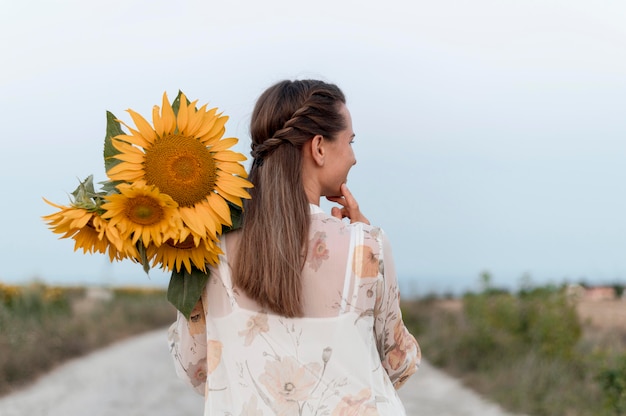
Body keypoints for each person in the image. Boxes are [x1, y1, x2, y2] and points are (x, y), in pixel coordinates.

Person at [168, 79, 420, 415]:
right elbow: (399, 363)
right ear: (318, 147)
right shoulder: (368, 245)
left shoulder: (206, 247)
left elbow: (194, 367)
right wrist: (363, 234)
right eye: (350, 141)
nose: (354, 158)